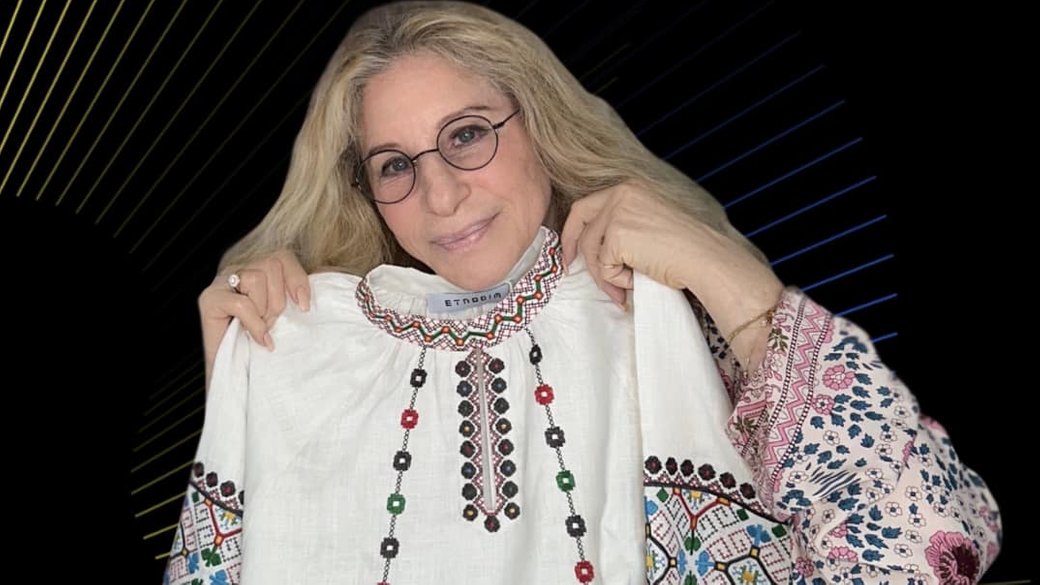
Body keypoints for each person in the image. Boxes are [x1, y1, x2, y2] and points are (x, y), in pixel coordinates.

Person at [165, 2, 1001, 583]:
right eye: (394, 165)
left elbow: (927, 555)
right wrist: (249, 388)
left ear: (539, 123)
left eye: (467, 134)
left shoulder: (672, 317)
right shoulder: (317, 341)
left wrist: (732, 282)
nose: (441, 195)